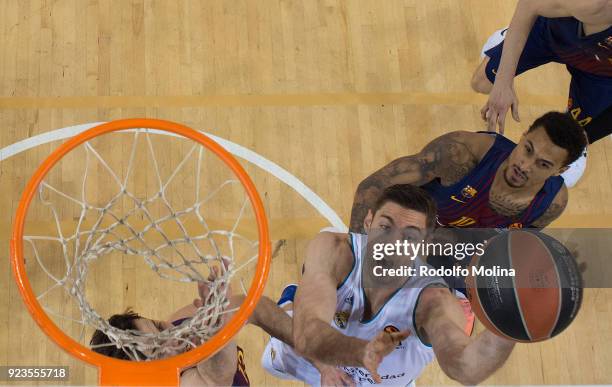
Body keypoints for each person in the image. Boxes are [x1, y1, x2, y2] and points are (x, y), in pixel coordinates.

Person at [262, 185, 514, 386]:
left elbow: (466, 368)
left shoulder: (434, 300)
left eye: (409, 236)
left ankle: (299, 301)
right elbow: (307, 335)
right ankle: (295, 300)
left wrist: (509, 326)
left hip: (380, 380)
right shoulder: (334, 251)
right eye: (385, 227)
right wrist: (351, 357)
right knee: (277, 354)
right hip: (314, 361)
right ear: (368, 222)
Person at [90, 269, 346, 386]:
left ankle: (289, 310)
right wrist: (216, 327)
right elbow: (216, 376)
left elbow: (253, 308)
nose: (172, 337)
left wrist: (321, 361)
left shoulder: (184, 324)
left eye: (158, 327)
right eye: (158, 351)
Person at [349, 111, 587, 233]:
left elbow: (518, 245)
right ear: (523, 135)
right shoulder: (462, 153)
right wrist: (357, 256)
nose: (525, 165)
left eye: (542, 164)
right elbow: (371, 187)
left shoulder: (552, 203)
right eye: (527, 149)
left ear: (561, 170)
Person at [471, 0, 612, 186]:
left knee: (571, 140)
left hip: (600, 72)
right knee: (481, 83)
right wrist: (503, 82)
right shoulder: (595, 6)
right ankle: (512, 34)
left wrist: (584, 136)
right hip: (555, 35)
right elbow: (529, 4)